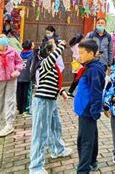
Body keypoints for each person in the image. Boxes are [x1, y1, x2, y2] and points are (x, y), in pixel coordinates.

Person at [29, 39, 71, 173]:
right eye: (55, 49)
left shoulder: (51, 67)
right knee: (40, 133)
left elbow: (51, 82)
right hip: (42, 101)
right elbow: (54, 56)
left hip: (51, 101)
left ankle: (57, 149)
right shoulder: (45, 63)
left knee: (55, 127)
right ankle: (35, 167)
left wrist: (61, 91)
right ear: (49, 52)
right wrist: (61, 45)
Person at [73, 39, 106, 173]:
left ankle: (83, 170)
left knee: (84, 141)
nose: (79, 56)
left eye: (81, 53)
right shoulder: (90, 67)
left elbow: (96, 92)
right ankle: (92, 162)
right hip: (85, 110)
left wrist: (94, 112)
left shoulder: (94, 70)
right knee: (91, 136)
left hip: (87, 110)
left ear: (91, 53)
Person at [17, 40, 35, 115]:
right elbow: (33, 66)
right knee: (27, 93)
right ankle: (26, 108)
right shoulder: (32, 54)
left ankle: (19, 108)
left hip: (19, 76)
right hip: (28, 77)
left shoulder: (19, 53)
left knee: (19, 92)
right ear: (31, 46)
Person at [67, 33, 84, 97]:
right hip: (79, 64)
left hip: (76, 63)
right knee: (78, 79)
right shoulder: (78, 45)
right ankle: (71, 91)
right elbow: (78, 55)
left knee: (76, 78)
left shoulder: (74, 45)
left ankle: (70, 91)